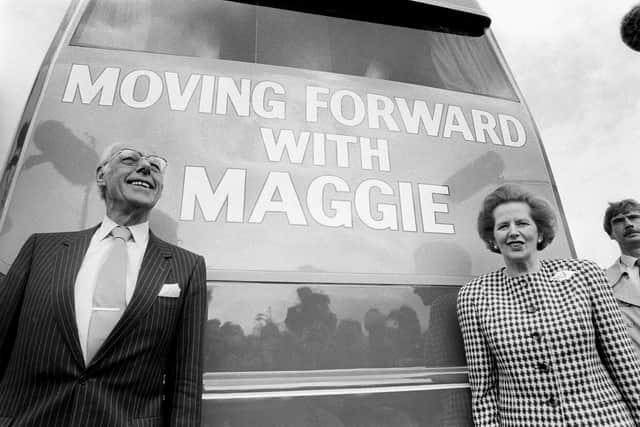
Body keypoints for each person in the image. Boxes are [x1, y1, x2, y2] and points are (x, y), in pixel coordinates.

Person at [0, 144, 207, 426]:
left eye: (155, 166)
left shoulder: (187, 267)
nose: (145, 168)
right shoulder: (41, 249)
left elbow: (186, 380)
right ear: (101, 175)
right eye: (129, 159)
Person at [457, 184, 640, 426]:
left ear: (540, 232)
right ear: (493, 238)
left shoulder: (585, 274)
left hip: (605, 419)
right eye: (503, 226)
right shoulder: (473, 295)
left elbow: (623, 360)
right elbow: (484, 387)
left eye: (522, 223)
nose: (513, 232)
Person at [604, 198, 640, 354]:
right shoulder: (602, 282)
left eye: (633, 217)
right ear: (611, 233)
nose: (628, 224)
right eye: (619, 221)